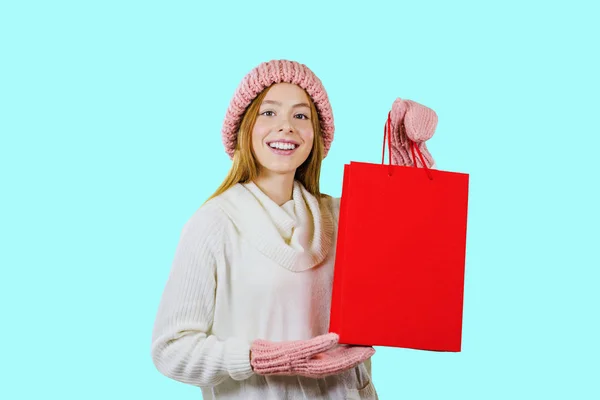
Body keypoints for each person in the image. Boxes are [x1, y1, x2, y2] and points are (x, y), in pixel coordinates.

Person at [150, 59, 436, 400]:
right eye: (268, 113)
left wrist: (407, 166)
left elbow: (415, 257)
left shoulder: (341, 215)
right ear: (244, 128)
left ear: (316, 135)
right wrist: (258, 359)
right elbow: (171, 350)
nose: (286, 127)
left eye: (301, 116)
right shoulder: (215, 224)